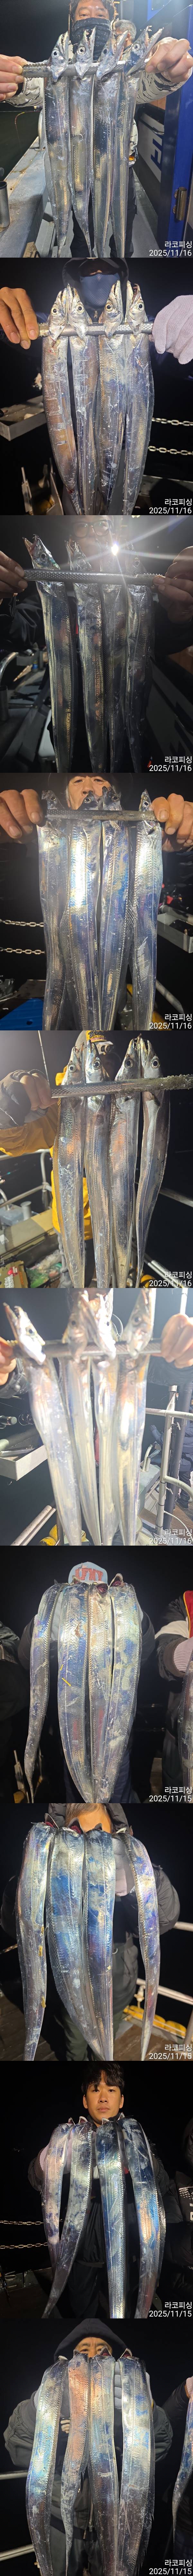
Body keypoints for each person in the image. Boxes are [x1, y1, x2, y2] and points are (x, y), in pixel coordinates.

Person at [3, 2318, 174, 2576]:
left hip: (115, 2528)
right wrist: (41, 2408)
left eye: (104, 2351)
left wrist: (146, 2413)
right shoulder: (53, 2409)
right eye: (84, 2351)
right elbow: (17, 2449)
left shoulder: (126, 2414)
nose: (94, 2357)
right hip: (60, 2526)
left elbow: (160, 2450)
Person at [28, 2060, 187, 2319]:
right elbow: (36, 2181)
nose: (103, 2097)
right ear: (85, 2100)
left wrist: (143, 2161)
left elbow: (162, 2185)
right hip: (81, 2252)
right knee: (83, 2311)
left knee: (126, 2312)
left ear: (121, 2100)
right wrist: (52, 2158)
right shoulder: (68, 2138)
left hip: (130, 2252)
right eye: (95, 2090)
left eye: (111, 2090)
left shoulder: (136, 2137)